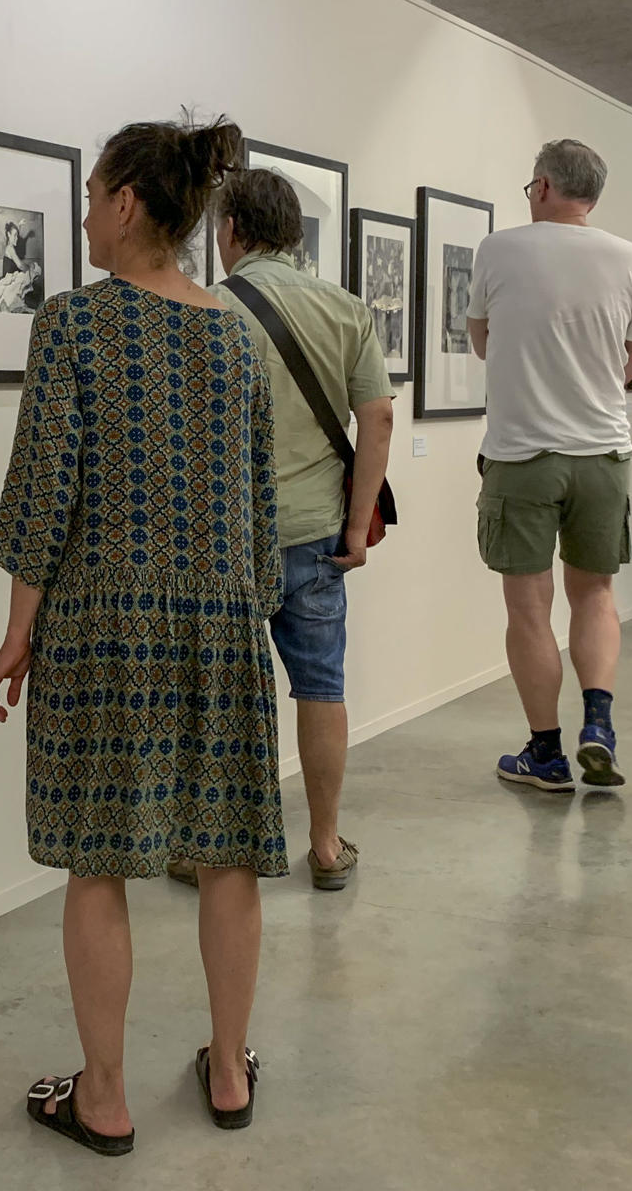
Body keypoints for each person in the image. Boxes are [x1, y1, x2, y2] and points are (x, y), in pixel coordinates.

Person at [0, 116, 284, 1154]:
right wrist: (249, 610)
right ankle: (231, 1070)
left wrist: (19, 630)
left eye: (93, 190)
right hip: (223, 620)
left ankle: (102, 1096)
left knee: (98, 861)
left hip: (105, 628)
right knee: (228, 852)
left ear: (124, 204)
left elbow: (41, 490)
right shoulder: (237, 332)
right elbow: (256, 499)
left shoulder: (75, 323)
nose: (82, 213)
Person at [168, 167, 393, 892]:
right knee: (321, 687)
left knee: (216, 699)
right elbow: (379, 419)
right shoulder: (346, 309)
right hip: (319, 535)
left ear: (229, 230)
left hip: (226, 542)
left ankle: (205, 853)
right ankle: (325, 845)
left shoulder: (204, 310)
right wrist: (357, 529)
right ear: (294, 232)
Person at [468, 139, 632, 793]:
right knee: (595, 594)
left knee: (529, 607)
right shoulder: (631, 260)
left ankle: (545, 754)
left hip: (523, 455)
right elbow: (629, 362)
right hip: (603, 452)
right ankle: (597, 722)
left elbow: (483, 341)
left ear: (542, 186)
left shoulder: (499, 249)